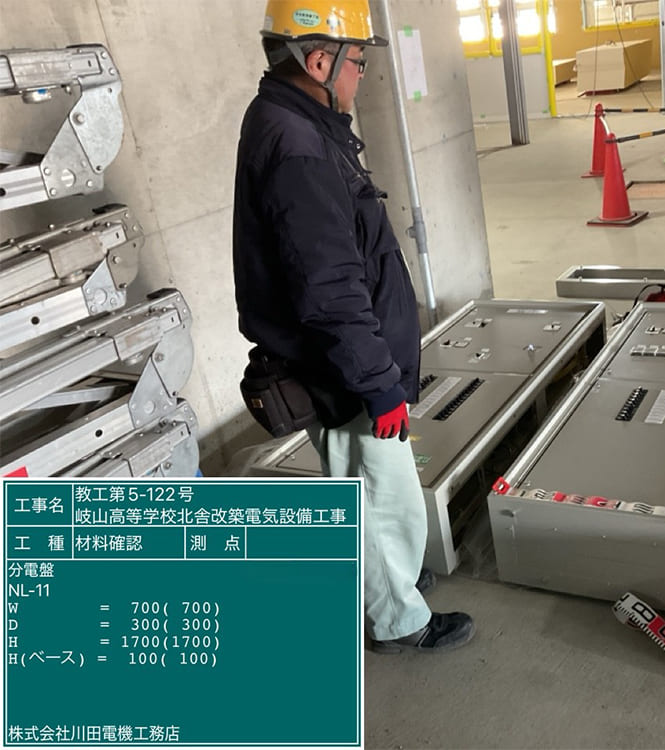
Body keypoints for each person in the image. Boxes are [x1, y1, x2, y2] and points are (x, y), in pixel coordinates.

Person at [232, 0, 474, 653]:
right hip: (339, 366)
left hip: (347, 358)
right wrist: (377, 383)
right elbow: (329, 287)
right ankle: (397, 619)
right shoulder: (299, 146)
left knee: (384, 487)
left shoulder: (298, 122)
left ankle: (395, 580)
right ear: (318, 60)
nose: (361, 75)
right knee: (372, 494)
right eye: (357, 62)